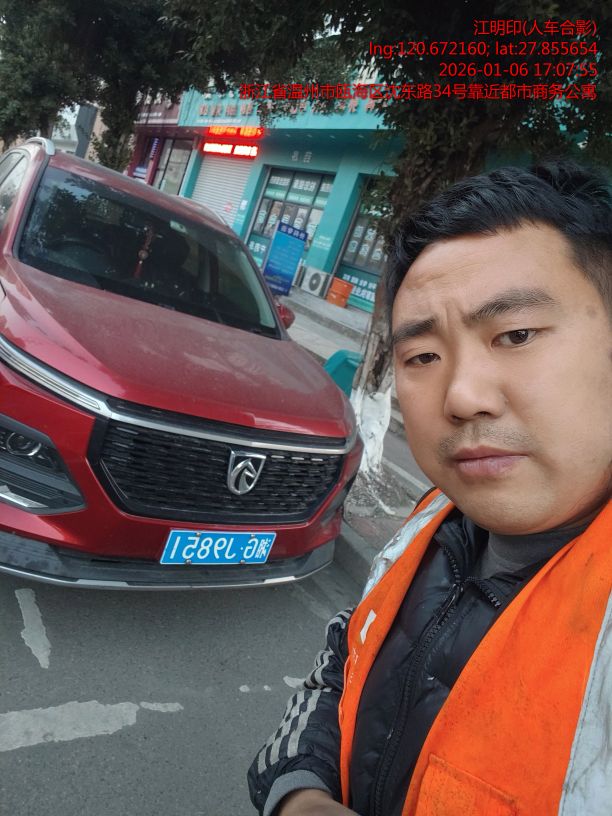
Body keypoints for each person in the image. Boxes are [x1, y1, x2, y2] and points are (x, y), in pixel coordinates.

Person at [247, 160, 612, 816]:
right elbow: (345, 658)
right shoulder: (435, 519)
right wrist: (299, 794)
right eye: (423, 357)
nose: (462, 395)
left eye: (516, 335)